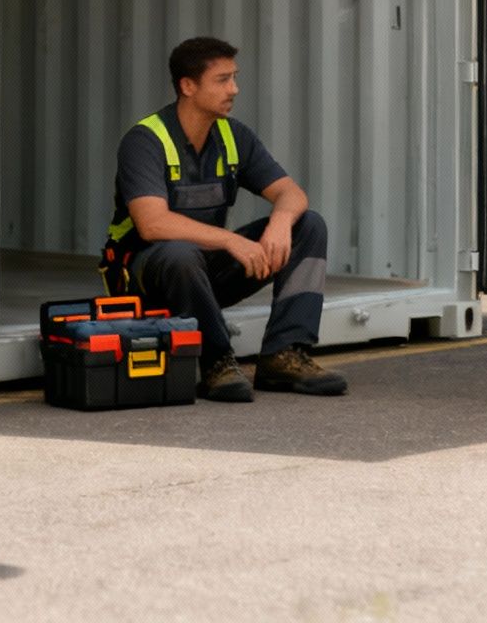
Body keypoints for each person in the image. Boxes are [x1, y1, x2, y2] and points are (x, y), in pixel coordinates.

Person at [99, 37, 348, 401]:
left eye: (234, 78)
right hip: (147, 277)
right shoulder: (145, 140)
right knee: (178, 252)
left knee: (308, 224)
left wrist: (280, 222)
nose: (235, 89)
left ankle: (284, 353)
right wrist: (232, 240)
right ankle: (216, 362)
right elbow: (152, 224)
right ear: (188, 86)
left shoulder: (233, 136)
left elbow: (291, 193)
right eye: (222, 80)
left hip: (203, 273)